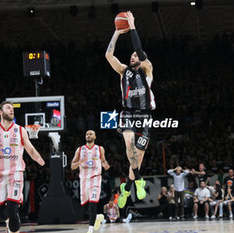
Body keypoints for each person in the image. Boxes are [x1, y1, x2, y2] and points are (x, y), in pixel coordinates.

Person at [105, 11, 156, 209]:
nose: (134, 55)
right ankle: (140, 180)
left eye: (137, 55)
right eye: (132, 54)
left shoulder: (147, 69)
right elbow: (108, 55)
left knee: (138, 156)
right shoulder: (123, 71)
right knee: (129, 143)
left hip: (144, 114)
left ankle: (126, 188)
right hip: (127, 113)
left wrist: (132, 26)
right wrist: (117, 32)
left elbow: (139, 49)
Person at [0, 101, 45, 233]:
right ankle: (9, 220)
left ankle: (13, 222)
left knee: (12, 209)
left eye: (12, 108)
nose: (11, 110)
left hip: (16, 173)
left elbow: (30, 149)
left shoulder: (20, 130)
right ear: (0, 112)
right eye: (8, 108)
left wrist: (38, 158)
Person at [71, 130, 110, 233]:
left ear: (95, 137)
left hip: (95, 178)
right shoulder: (80, 150)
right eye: (87, 134)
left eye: (90, 134)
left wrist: (107, 167)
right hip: (84, 179)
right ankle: (97, 217)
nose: (88, 135)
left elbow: (103, 161)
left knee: (93, 203)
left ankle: (90, 228)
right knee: (85, 205)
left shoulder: (99, 149)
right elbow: (72, 166)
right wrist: (81, 161)